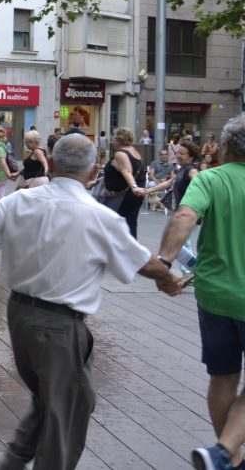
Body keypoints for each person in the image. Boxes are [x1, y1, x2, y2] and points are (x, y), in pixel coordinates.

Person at [0, 134, 179, 470]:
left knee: (54, 399)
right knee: (67, 413)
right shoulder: (99, 216)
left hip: (20, 317)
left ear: (51, 161)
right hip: (60, 327)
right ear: (94, 168)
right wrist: (167, 275)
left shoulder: (19, 202)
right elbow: (144, 263)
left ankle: (14, 461)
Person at [156, 117, 245, 470]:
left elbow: (184, 216)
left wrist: (164, 265)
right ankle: (224, 450)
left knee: (223, 376)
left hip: (215, 297)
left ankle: (229, 459)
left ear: (224, 148)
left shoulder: (210, 179)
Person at [142, 139, 203, 274]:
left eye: (183, 154)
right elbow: (168, 183)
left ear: (191, 156)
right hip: (182, 213)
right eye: (178, 153)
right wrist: (147, 191)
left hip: (189, 214)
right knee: (180, 243)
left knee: (178, 243)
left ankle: (193, 271)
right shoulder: (181, 169)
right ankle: (192, 271)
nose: (179, 155)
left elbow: (199, 181)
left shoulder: (191, 169)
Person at [99, 127, 145, 239]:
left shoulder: (121, 154)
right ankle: (131, 252)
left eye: (114, 139)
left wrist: (134, 187)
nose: (113, 142)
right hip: (132, 195)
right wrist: (96, 181)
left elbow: (126, 171)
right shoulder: (134, 152)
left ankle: (125, 252)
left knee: (119, 227)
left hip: (122, 196)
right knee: (129, 225)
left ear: (118, 140)